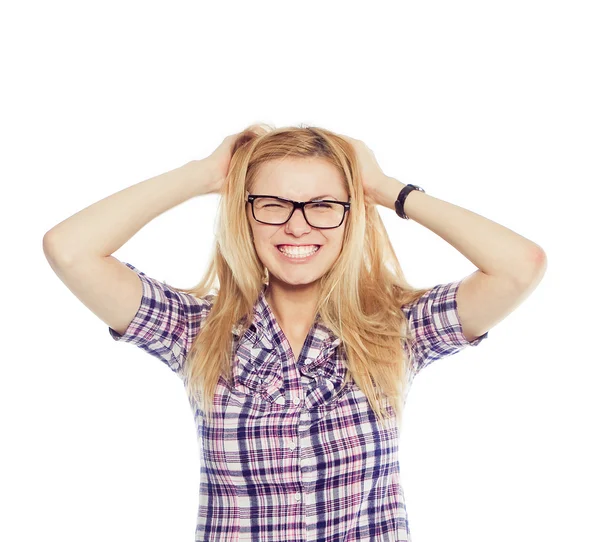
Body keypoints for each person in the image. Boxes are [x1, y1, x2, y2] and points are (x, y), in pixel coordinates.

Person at [42, 124, 546, 541]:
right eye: (273, 204)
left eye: (324, 205)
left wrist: (386, 189)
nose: (297, 226)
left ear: (352, 218)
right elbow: (70, 250)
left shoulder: (396, 328)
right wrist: (205, 175)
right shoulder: (194, 330)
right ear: (246, 214)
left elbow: (520, 267)